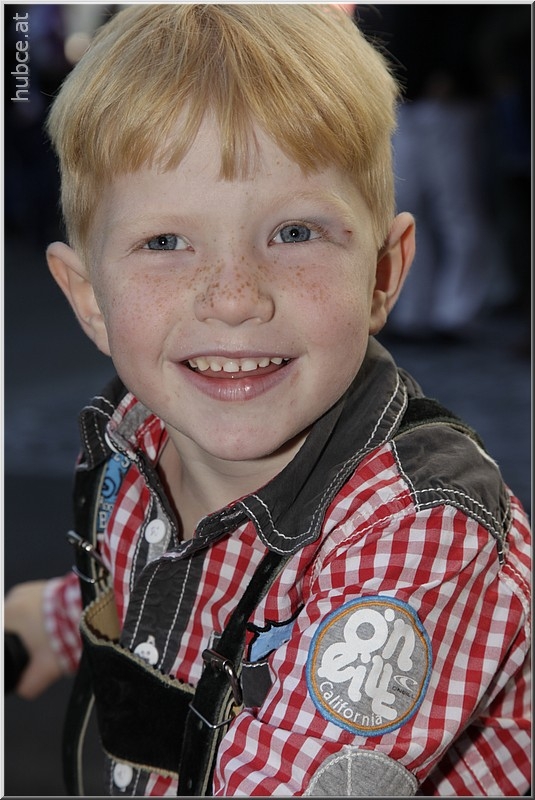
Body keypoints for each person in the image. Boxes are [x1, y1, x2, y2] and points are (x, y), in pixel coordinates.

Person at [4, 5, 531, 797]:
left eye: (292, 233)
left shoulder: (418, 536)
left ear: (381, 274)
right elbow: (169, 577)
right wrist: (59, 619)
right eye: (164, 242)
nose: (234, 298)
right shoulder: (133, 441)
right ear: (88, 299)